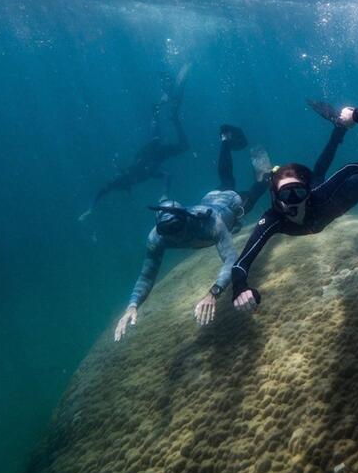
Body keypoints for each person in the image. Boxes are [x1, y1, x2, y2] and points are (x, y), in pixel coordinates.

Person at [230, 67, 358, 312]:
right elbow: (241, 264)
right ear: (275, 198)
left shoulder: (315, 194)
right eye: (286, 196)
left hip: (341, 198)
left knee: (348, 177)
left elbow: (351, 169)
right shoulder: (272, 220)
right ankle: (339, 127)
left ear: (306, 191)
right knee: (317, 175)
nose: (293, 202)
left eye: (298, 192)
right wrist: (239, 287)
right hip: (323, 200)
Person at [113, 125, 271, 341]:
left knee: (251, 190)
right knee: (226, 181)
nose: (174, 237)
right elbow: (146, 275)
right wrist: (132, 305)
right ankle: (225, 140)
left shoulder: (209, 224)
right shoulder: (157, 237)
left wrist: (213, 293)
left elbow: (231, 258)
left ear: (186, 220)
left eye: (176, 229)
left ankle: (264, 177)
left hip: (230, 205)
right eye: (167, 231)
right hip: (212, 198)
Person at [78, 63, 192, 221]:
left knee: (155, 139)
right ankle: (170, 116)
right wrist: (90, 209)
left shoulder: (130, 173)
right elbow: (166, 174)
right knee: (180, 145)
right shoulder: (134, 177)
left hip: (153, 150)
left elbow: (104, 189)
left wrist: (164, 193)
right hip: (158, 154)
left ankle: (157, 111)